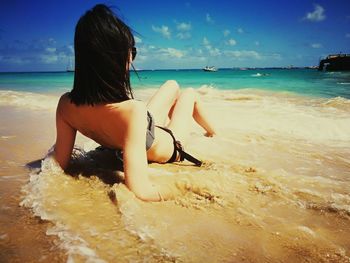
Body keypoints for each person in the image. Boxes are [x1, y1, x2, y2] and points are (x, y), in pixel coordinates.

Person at [54, 4, 216, 201]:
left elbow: (57, 164)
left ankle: (209, 132)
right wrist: (183, 188)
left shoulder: (66, 105)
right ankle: (214, 134)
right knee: (190, 94)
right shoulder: (133, 111)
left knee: (172, 85)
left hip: (133, 132)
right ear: (118, 59)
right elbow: (141, 192)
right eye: (132, 52)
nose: (131, 58)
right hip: (170, 144)